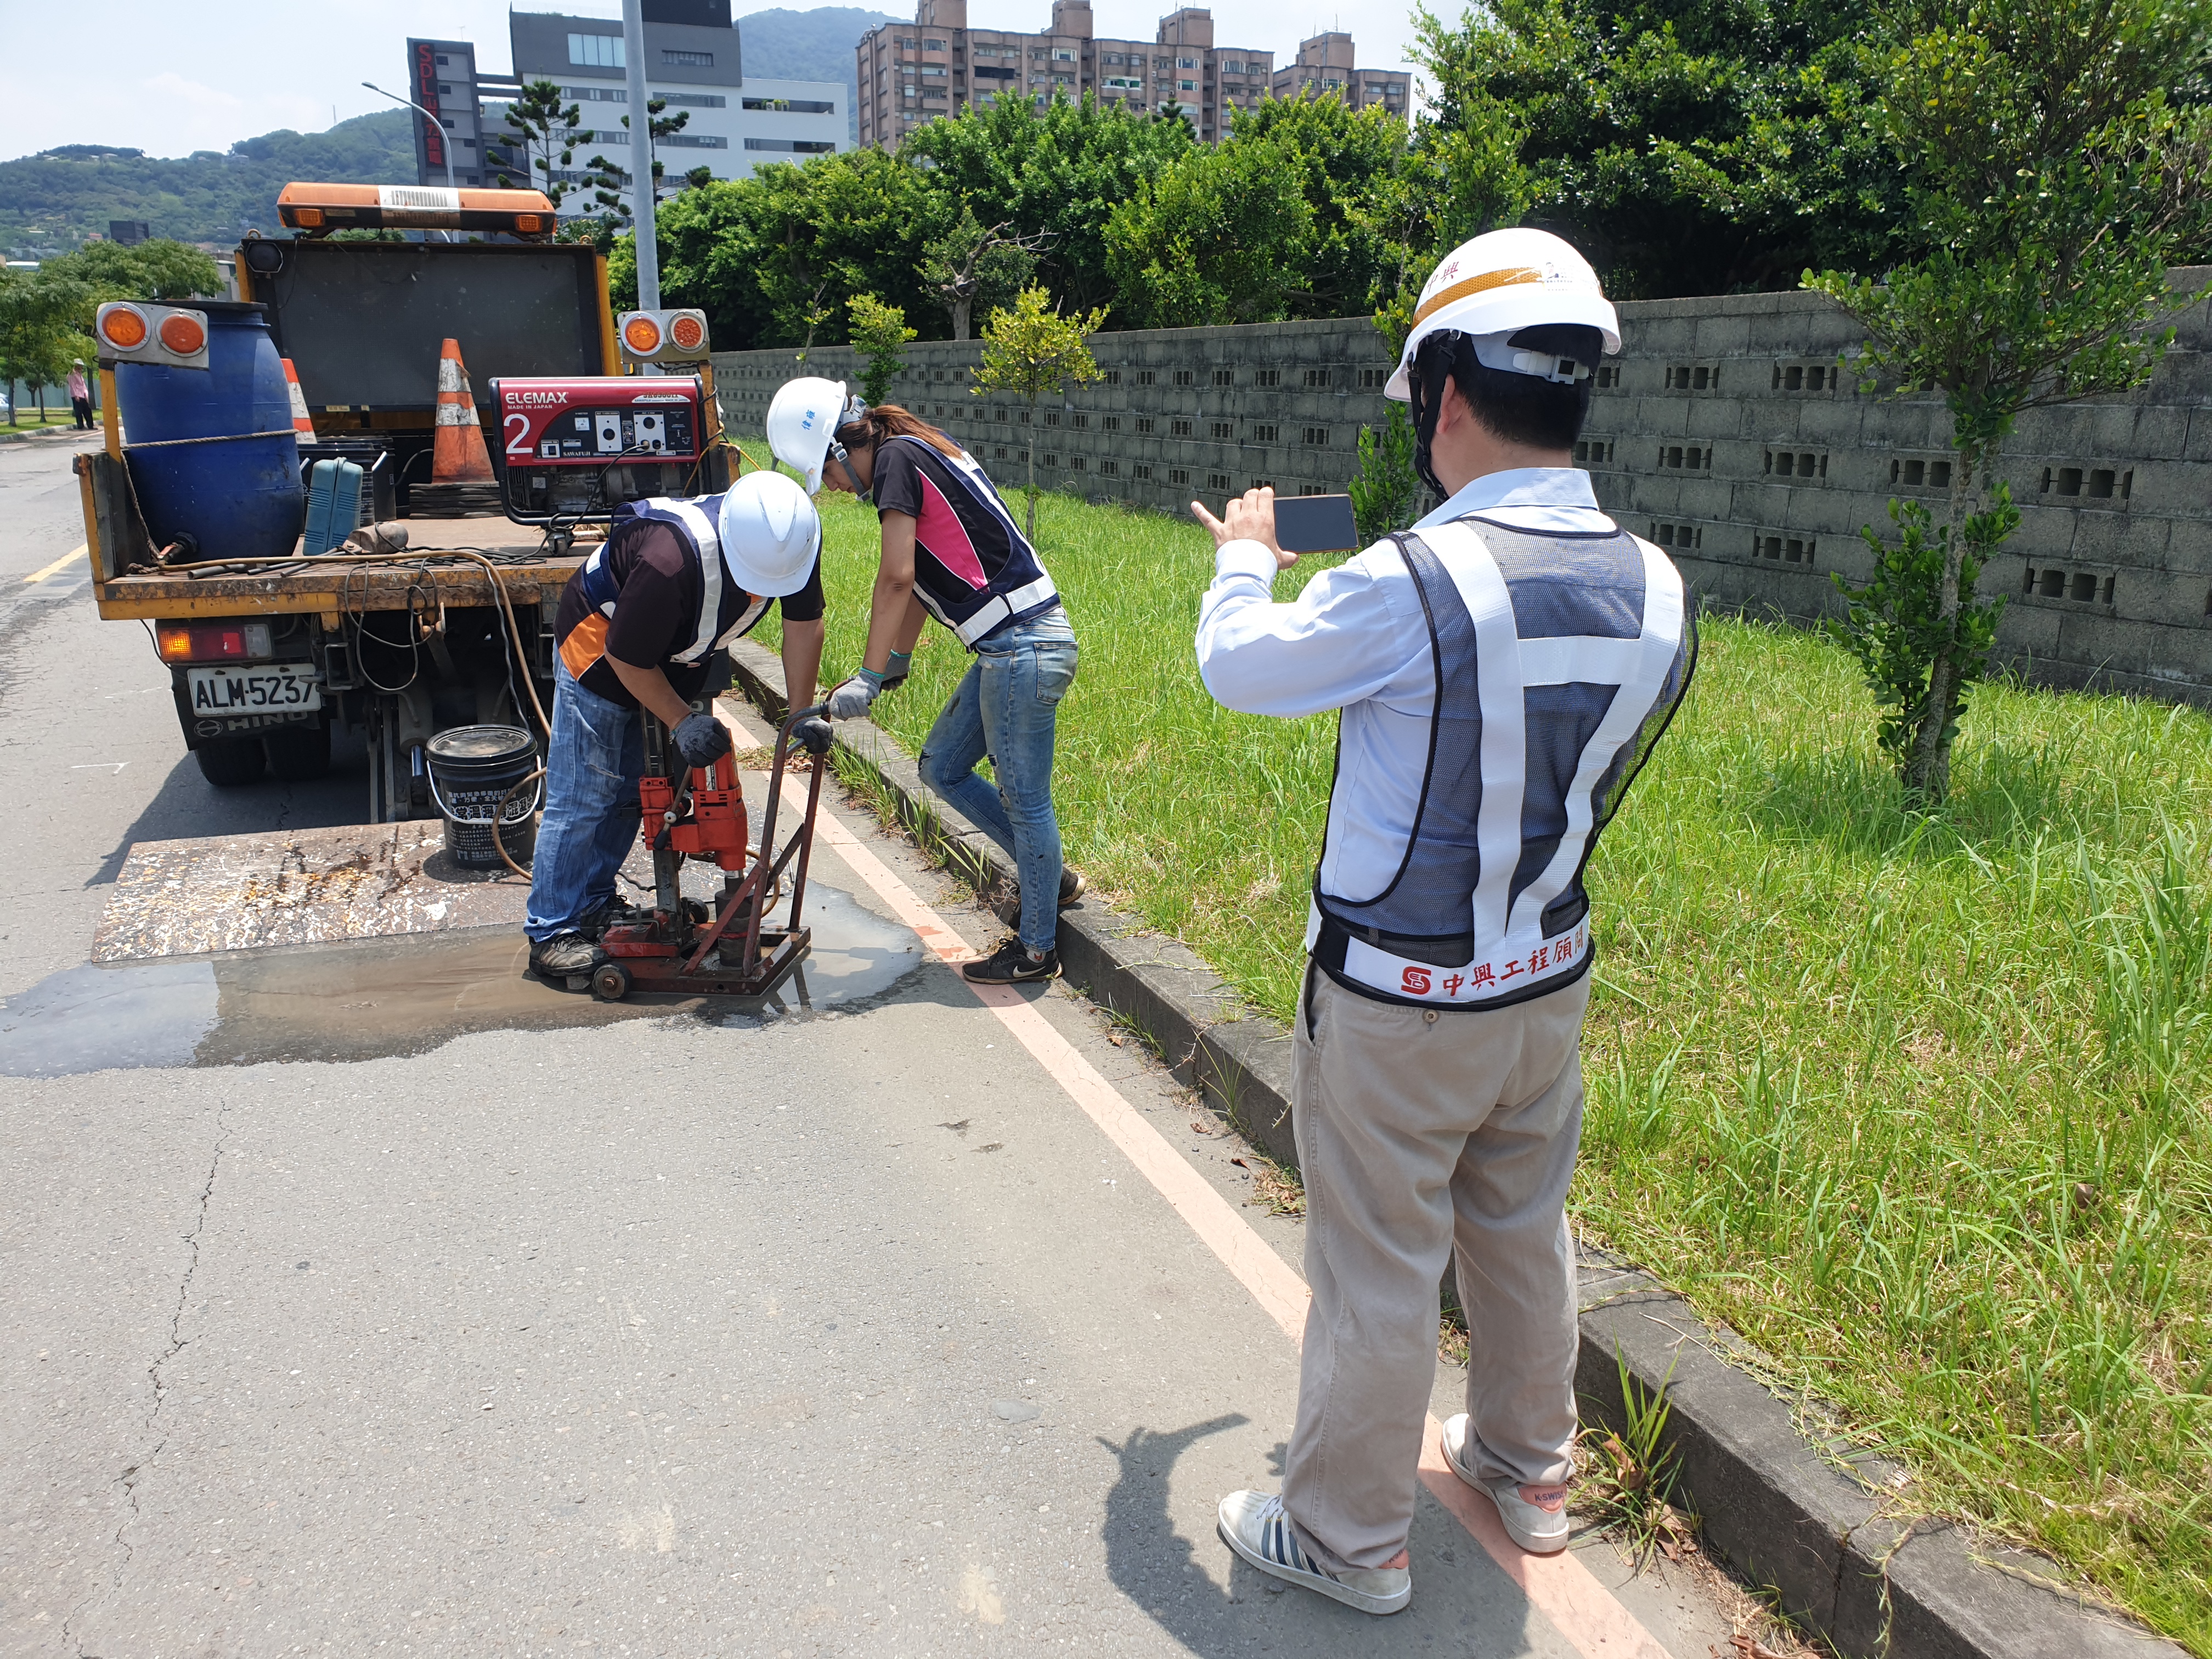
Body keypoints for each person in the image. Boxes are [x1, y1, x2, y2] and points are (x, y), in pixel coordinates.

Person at [1192, 228, 1697, 1617]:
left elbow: (1239, 667)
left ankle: (1347, 1539)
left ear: (1446, 391)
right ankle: (1532, 1469)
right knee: (1523, 1230)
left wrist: (1243, 558)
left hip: (1398, 1002)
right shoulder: (1658, 585)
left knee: (1378, 1269)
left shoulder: (1408, 578)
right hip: (1547, 984)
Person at [766, 377, 1085, 986]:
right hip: (1010, 645)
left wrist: (867, 676)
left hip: (1022, 647)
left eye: (826, 474)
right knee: (942, 767)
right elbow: (920, 579)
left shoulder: (894, 460)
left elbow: (895, 575)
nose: (833, 488)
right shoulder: (915, 448)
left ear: (841, 450)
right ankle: (1050, 879)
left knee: (1025, 801)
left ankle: (1037, 951)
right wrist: (896, 660)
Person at [523, 469, 830, 983]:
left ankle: (592, 902)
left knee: (635, 790)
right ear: (732, 549)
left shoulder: (792, 544)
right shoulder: (669, 560)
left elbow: (803, 623)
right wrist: (681, 721)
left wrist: (800, 714)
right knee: (586, 793)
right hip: (600, 646)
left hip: (672, 652)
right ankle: (552, 930)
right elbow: (625, 656)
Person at [67, 360, 93, 431]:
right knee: (78, 411)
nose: (81, 367)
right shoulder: (72, 374)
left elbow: (83, 385)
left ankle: (90, 425)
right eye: (80, 366)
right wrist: (76, 395)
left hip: (83, 395)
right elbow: (72, 385)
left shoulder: (80, 374)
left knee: (87, 410)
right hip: (77, 395)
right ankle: (80, 426)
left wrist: (86, 395)